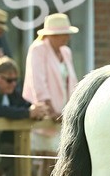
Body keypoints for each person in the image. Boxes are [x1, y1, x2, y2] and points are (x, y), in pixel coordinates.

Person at [22, 13, 80, 153]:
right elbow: (38, 82)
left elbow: (72, 81)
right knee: (45, 157)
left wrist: (73, 109)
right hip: (46, 114)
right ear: (51, 35)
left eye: (67, 33)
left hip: (63, 114)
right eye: (63, 34)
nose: (67, 37)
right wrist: (50, 110)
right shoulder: (38, 49)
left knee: (59, 156)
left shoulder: (66, 52)